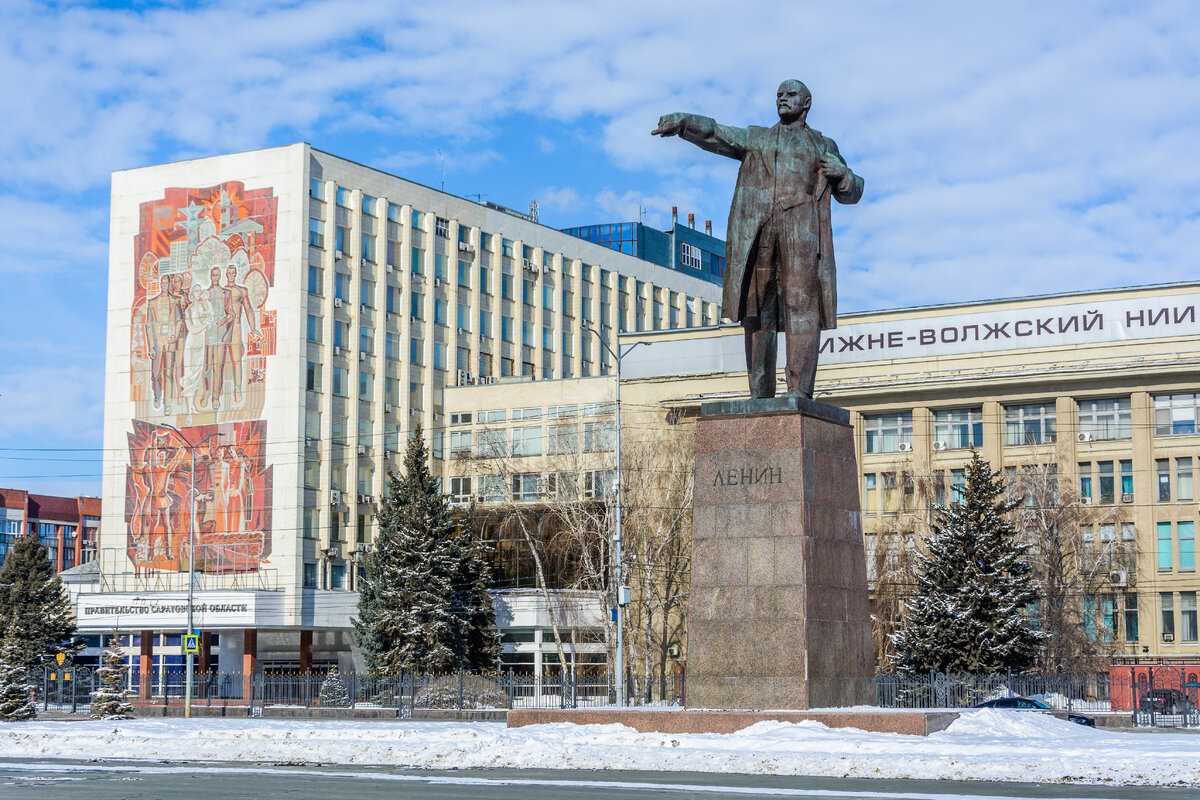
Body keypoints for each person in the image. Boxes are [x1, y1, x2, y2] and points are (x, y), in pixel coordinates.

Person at [653, 80, 863, 399]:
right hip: (761, 230)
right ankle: (760, 395)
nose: (782, 99)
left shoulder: (823, 145)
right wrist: (683, 122)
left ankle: (799, 393)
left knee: (801, 307)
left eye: (790, 95)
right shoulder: (758, 138)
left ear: (806, 103)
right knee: (757, 311)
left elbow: (853, 192)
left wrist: (844, 176)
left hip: (802, 232)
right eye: (779, 94)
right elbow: (715, 133)